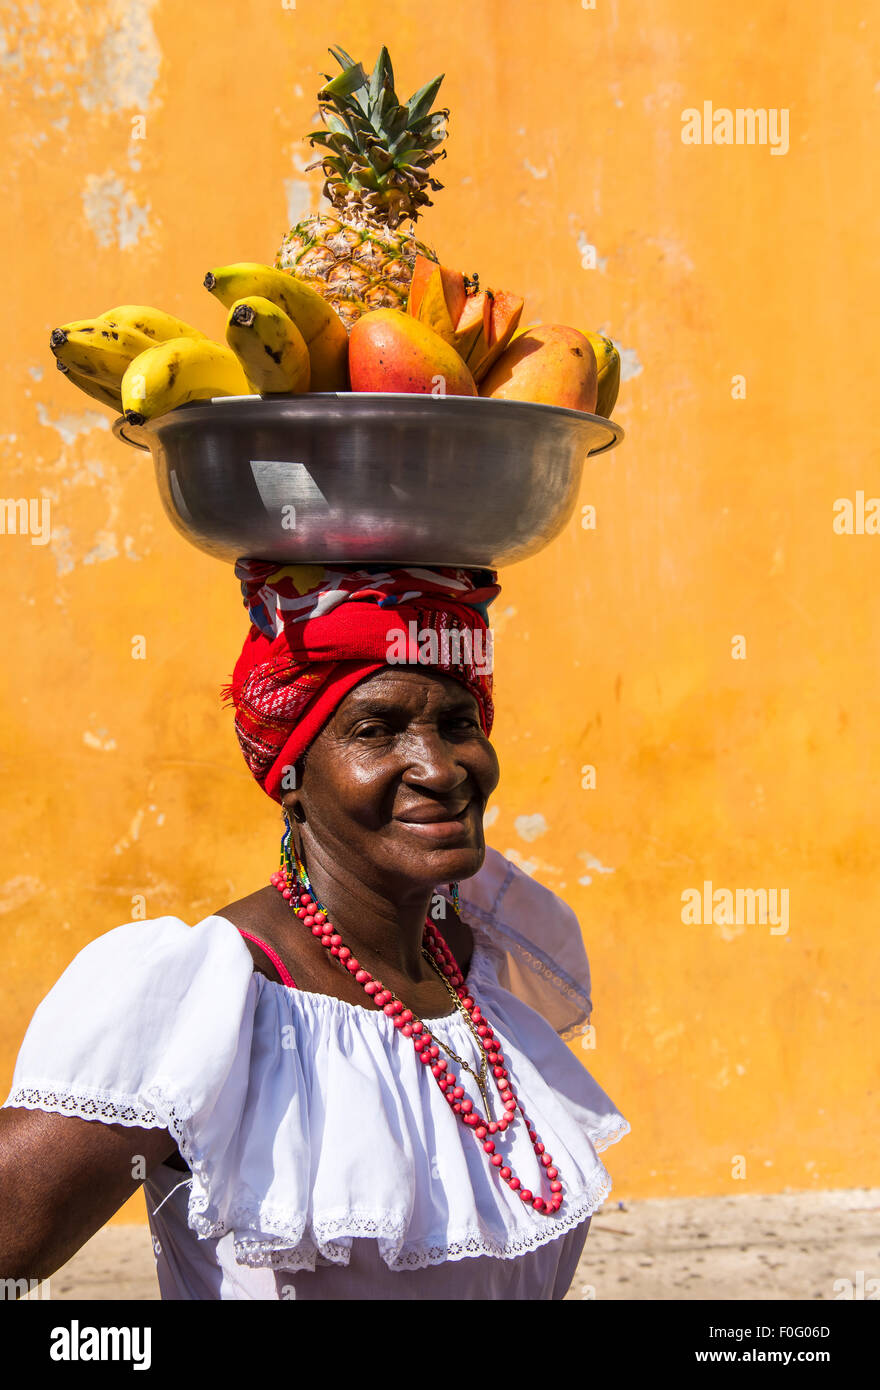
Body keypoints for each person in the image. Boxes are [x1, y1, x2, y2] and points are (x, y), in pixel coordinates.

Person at [0, 562, 629, 1299]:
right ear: (290, 776)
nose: (440, 767)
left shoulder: (480, 965)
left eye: (458, 724)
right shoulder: (216, 995)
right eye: (376, 730)